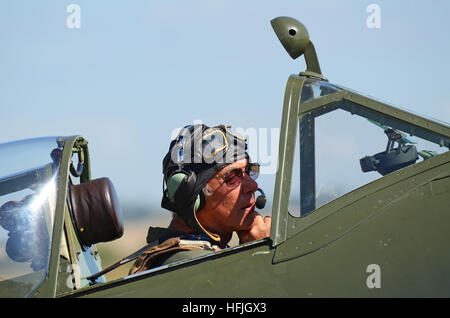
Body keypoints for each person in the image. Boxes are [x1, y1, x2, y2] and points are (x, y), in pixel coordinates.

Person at [129, 124, 271, 274]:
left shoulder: (206, 257)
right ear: (190, 194)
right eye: (233, 176)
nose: (253, 186)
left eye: (249, 171)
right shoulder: (185, 265)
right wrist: (261, 255)